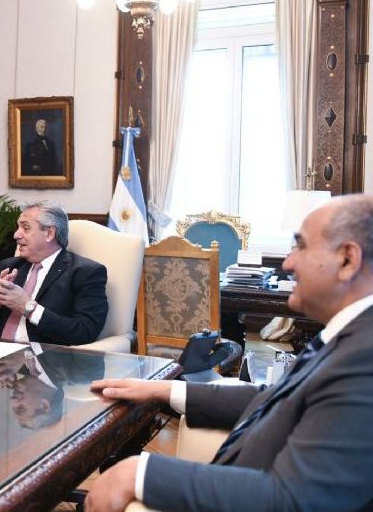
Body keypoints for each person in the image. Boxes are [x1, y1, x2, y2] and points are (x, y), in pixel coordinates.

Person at [86, 194, 373, 512]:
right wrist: (167, 389)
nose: (288, 263)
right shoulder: (353, 335)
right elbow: (274, 398)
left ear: (347, 260)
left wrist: (138, 472)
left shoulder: (365, 358)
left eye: (301, 246)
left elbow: (295, 501)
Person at [0, 200, 108, 345]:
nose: (16, 235)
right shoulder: (10, 266)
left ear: (49, 233)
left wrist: (27, 307)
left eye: (25, 228)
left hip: (42, 362)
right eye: (17, 227)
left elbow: (84, 332)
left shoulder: (86, 273)